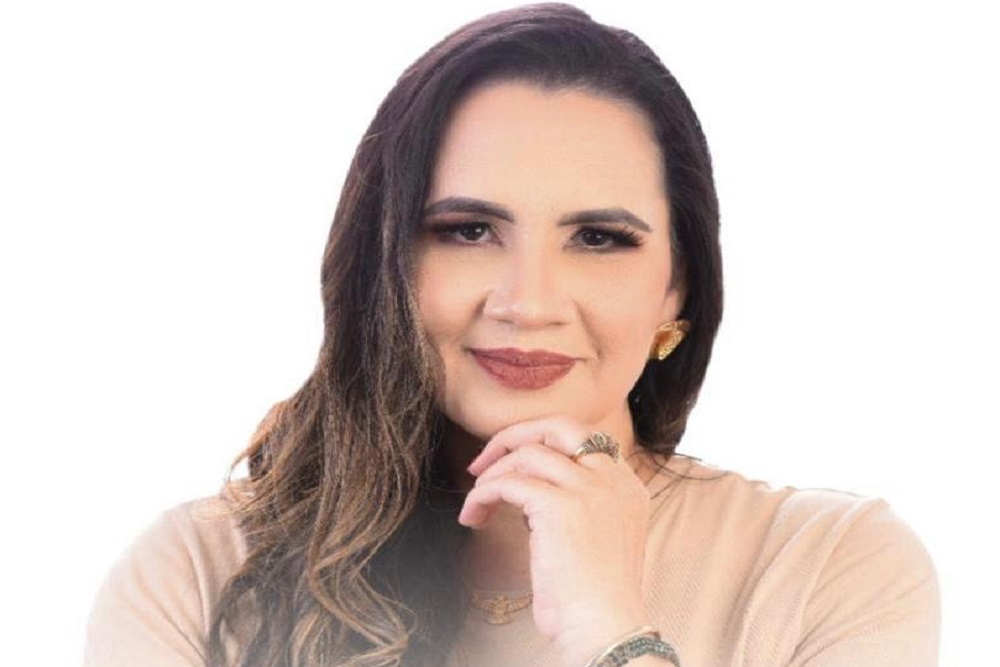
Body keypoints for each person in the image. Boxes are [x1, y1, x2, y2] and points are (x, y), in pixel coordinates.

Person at [83, 4, 940, 666]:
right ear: (383, 260)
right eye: (467, 230)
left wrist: (610, 626)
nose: (529, 303)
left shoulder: (828, 566)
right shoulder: (199, 574)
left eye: (598, 238)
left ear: (676, 287)